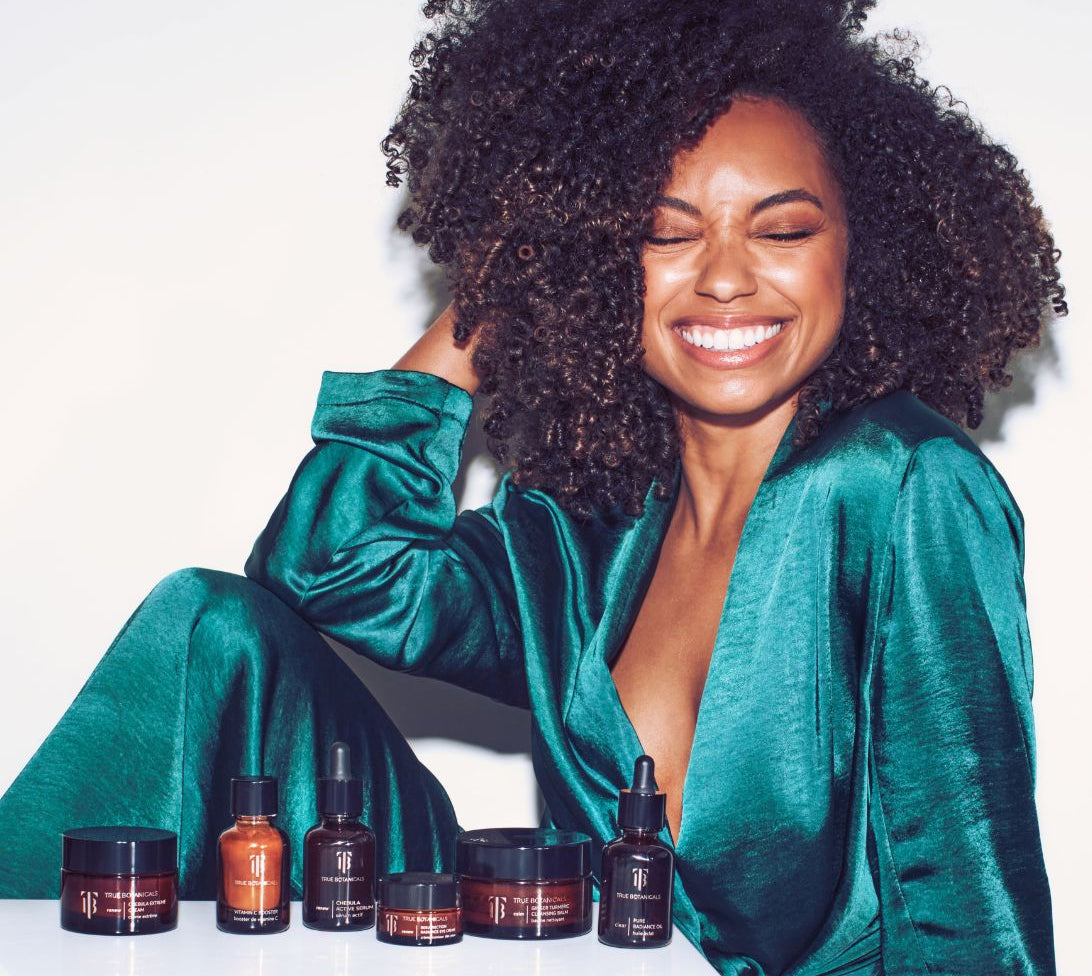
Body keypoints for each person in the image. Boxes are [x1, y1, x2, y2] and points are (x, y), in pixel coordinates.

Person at [0, 1, 1064, 973]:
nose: (728, 277)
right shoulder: (579, 515)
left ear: (859, 250)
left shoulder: (905, 488)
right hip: (544, 950)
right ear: (601, 257)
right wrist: (502, 292)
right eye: (663, 231)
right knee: (209, 630)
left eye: (783, 230)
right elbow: (329, 566)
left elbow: (967, 910)